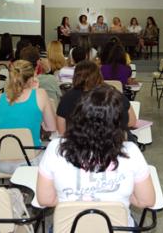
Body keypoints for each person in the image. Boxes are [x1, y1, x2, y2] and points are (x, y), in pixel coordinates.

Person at [37, 85, 155, 226]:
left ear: (78, 115)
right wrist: (122, 197)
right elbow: (147, 201)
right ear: (118, 121)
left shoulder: (55, 148)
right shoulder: (131, 152)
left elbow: (45, 200)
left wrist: (72, 201)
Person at [0, 60, 56, 174]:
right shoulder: (40, 94)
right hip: (28, 161)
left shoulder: (0, 98)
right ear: (32, 78)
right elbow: (51, 127)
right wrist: (36, 91)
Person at [56, 60, 136, 136]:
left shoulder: (66, 98)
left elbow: (61, 130)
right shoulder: (112, 94)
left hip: (78, 145)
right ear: (99, 75)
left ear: (75, 76)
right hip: (111, 143)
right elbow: (132, 122)